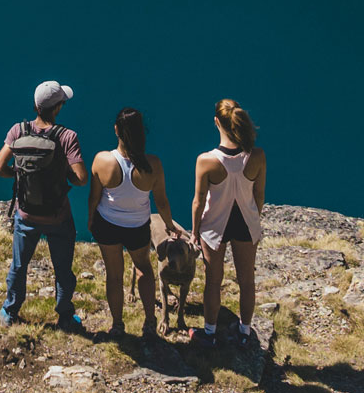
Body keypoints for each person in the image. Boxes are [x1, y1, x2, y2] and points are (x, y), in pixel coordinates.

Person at [0, 80, 88, 331]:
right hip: (58, 215)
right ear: (56, 107)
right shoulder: (67, 137)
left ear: (36, 106)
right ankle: (65, 315)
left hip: (26, 213)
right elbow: (81, 179)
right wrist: (59, 173)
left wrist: (20, 173)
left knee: (19, 265)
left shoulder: (18, 131)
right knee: (62, 268)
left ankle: (10, 310)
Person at [86, 107, 179, 340]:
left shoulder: (102, 160)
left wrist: (90, 219)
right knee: (144, 269)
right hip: (137, 227)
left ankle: (117, 325)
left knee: (114, 275)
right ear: (141, 133)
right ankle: (149, 322)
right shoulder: (153, 164)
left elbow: (94, 197)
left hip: (107, 224)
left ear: (116, 130)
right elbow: (162, 202)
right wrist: (169, 225)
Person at [188, 98, 267, 345]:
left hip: (214, 226)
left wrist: (194, 233)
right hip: (246, 223)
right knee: (246, 280)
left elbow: (198, 202)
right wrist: (255, 218)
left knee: (213, 280)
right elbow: (259, 195)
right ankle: (244, 332)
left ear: (216, 122)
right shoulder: (257, 156)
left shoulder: (206, 160)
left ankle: (209, 333)